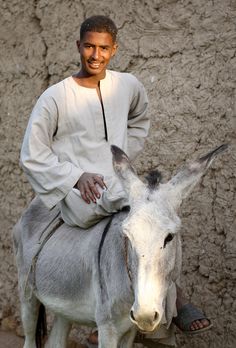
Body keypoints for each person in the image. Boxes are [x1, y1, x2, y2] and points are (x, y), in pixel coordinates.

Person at [20, 15, 211, 346]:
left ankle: (168, 297)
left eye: (104, 48)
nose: (96, 55)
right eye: (90, 47)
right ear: (78, 46)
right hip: (82, 194)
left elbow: (140, 118)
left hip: (118, 184)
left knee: (155, 222)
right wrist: (75, 176)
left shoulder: (128, 85)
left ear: (114, 49)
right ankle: (131, 309)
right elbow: (31, 154)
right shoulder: (55, 97)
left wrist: (123, 156)